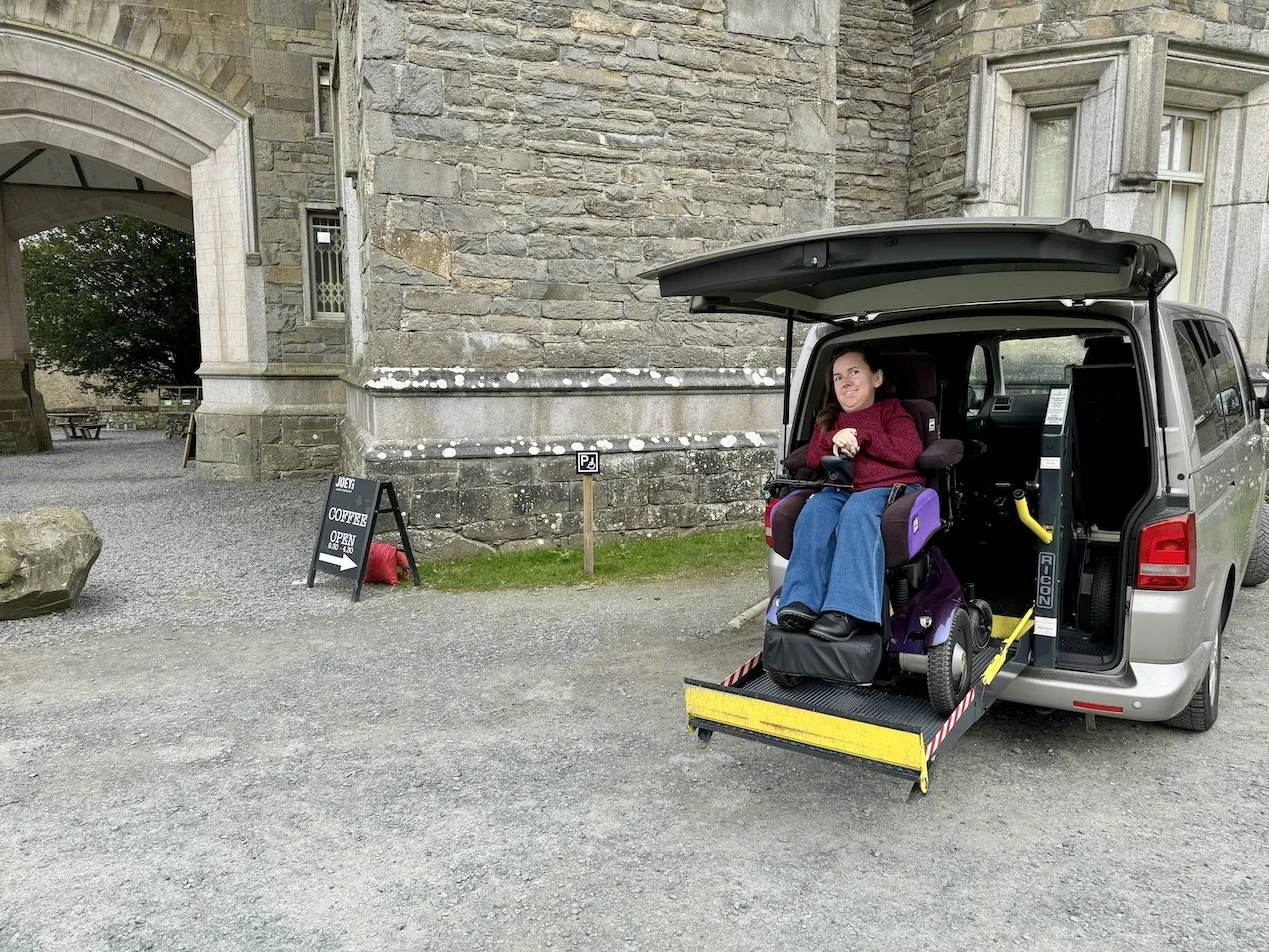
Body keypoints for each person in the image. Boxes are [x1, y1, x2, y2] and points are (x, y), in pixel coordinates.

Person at [776, 346, 925, 640]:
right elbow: (812, 458)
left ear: (877, 378)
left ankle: (849, 610)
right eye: (837, 377)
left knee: (858, 511)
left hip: (889, 487)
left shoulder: (892, 411)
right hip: (843, 488)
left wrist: (861, 435)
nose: (845, 382)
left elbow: (909, 452)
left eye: (854, 372)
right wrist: (834, 436)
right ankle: (802, 600)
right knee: (816, 509)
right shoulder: (829, 419)